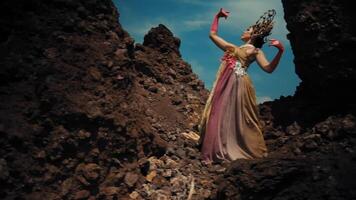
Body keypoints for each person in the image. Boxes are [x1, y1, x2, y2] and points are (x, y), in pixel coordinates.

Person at [198, 8, 284, 165]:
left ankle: (242, 148)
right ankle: (218, 148)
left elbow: (269, 69)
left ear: (254, 35)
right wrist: (217, 17)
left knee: (240, 116)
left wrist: (280, 51)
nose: (244, 31)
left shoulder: (255, 51)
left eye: (247, 29)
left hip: (239, 84)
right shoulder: (232, 47)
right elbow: (213, 35)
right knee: (220, 113)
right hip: (225, 84)